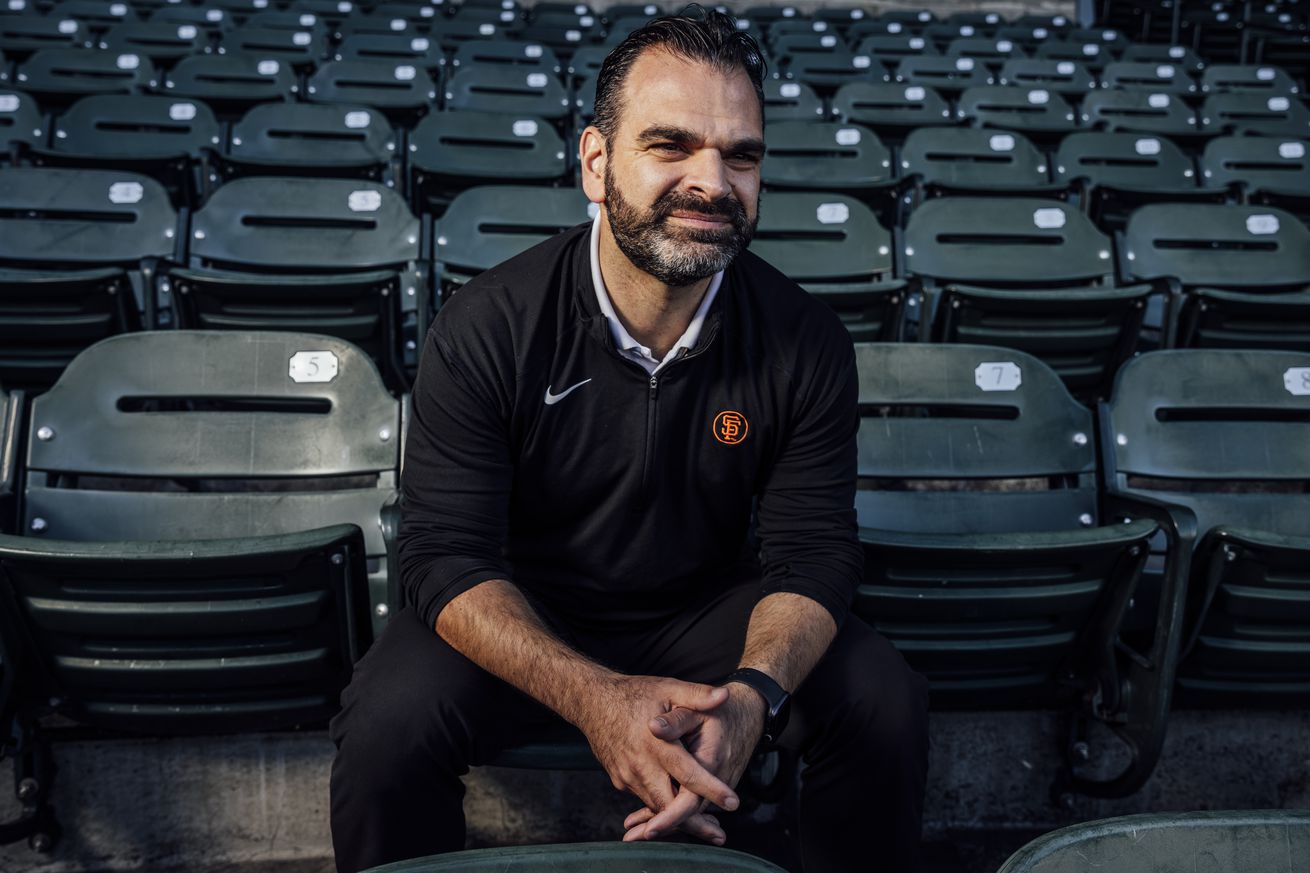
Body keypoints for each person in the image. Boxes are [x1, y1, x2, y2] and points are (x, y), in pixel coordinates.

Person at [329, 9, 928, 872]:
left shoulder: (806, 340)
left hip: (702, 615)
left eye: (742, 154)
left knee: (883, 697)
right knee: (387, 720)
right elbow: (444, 556)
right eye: (671, 145)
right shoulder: (489, 324)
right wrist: (595, 695)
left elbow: (815, 556)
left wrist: (753, 696)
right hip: (524, 611)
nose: (713, 181)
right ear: (597, 163)